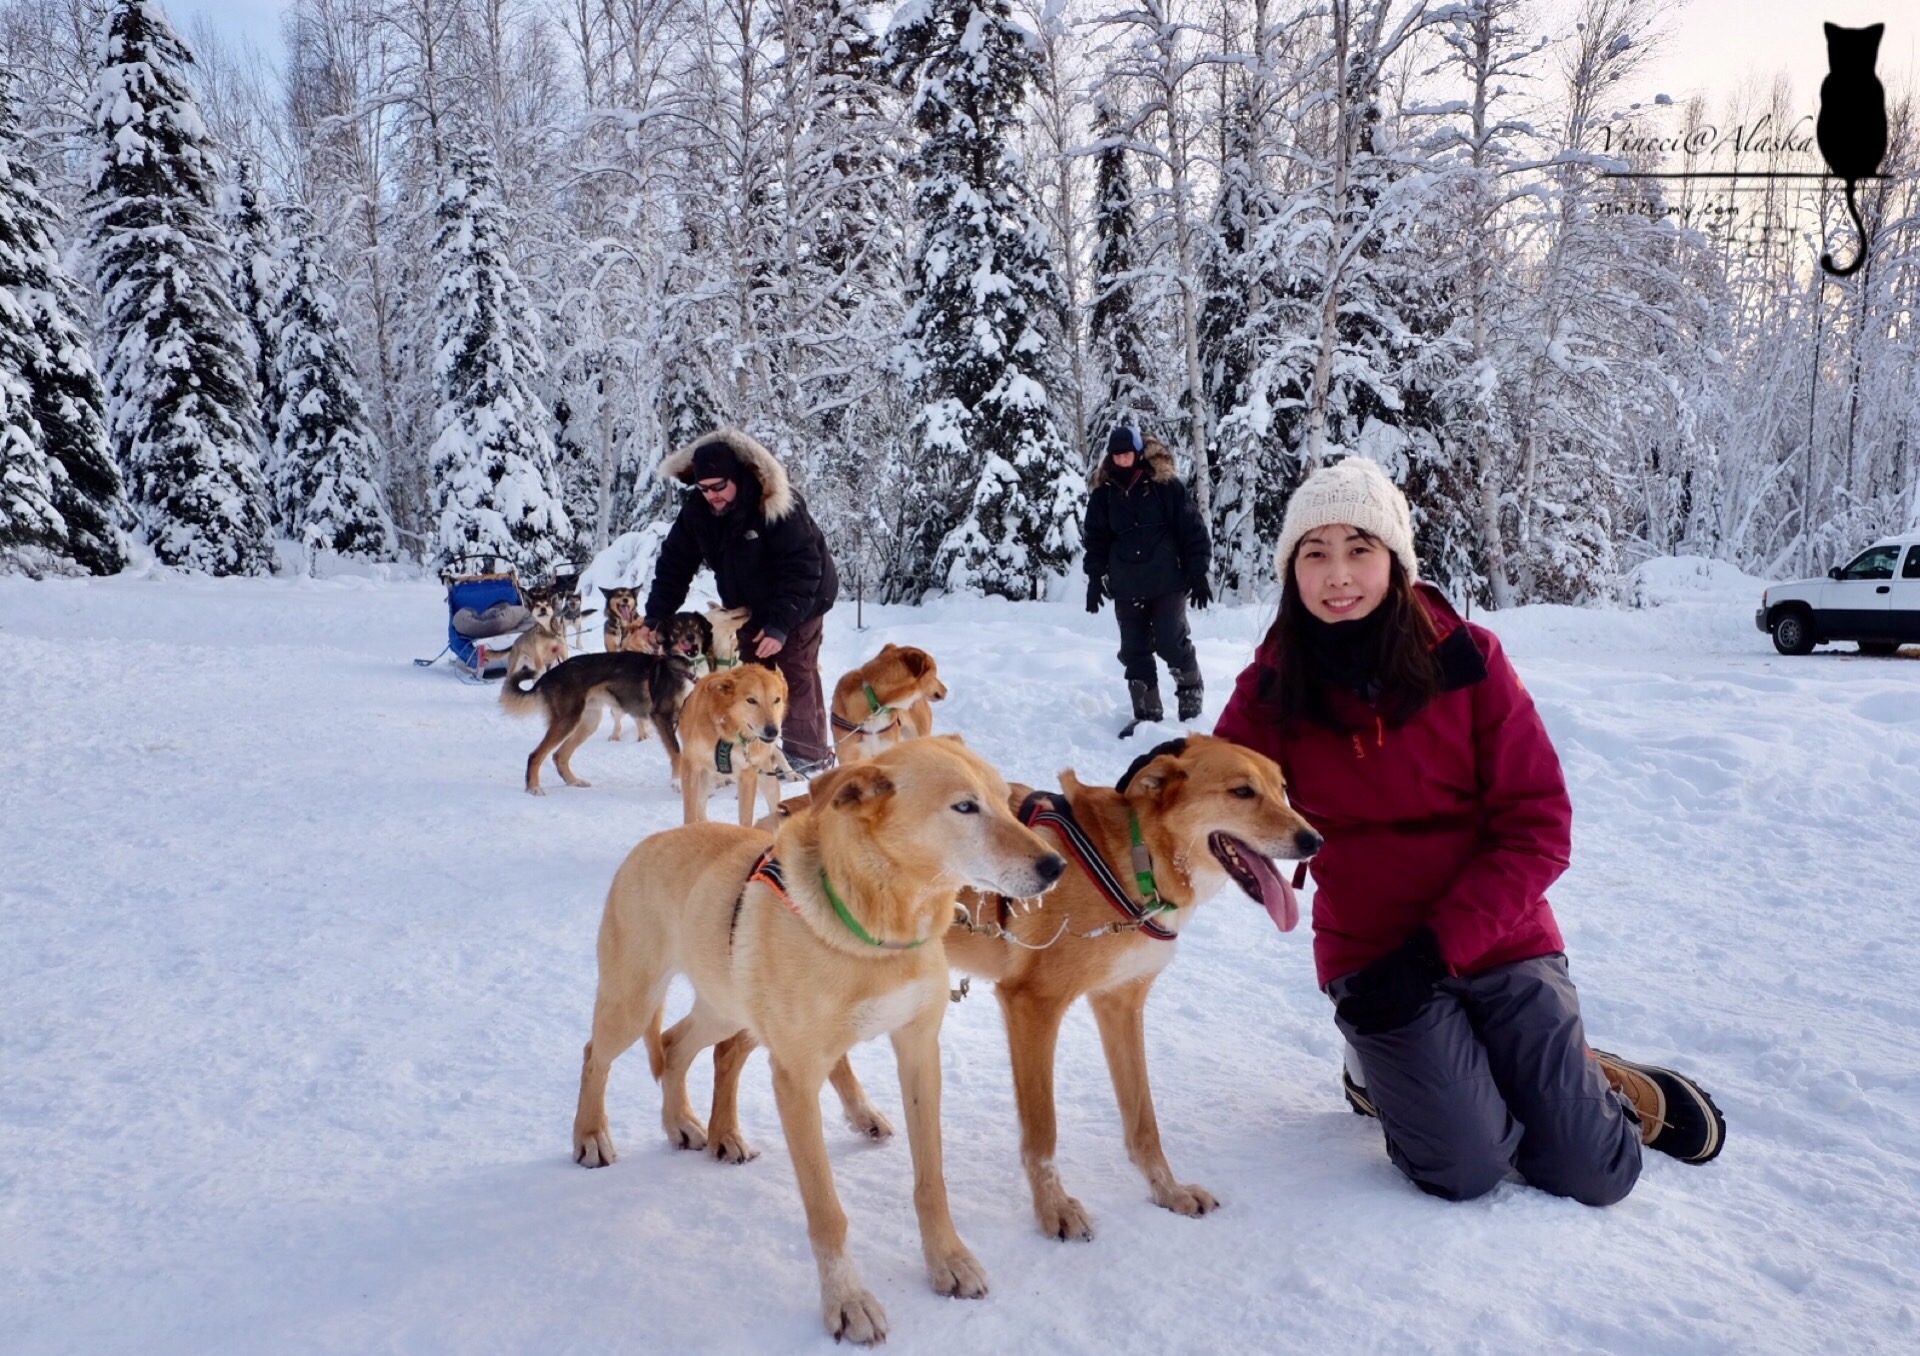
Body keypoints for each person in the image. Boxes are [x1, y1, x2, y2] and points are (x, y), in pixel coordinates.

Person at [1213, 457, 1724, 1205]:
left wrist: (1440, 948)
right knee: (1465, 1168)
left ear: (1395, 559)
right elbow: (1213, 794)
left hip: (1501, 937)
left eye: (1359, 549)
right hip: (1376, 959)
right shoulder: (1271, 687)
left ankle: (1590, 1079)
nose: (1338, 575)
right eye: (1313, 554)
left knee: (1594, 1172)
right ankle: (1381, 1072)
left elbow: (1539, 826)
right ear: (1293, 572)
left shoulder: (1469, 660)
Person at [641, 429, 839, 774]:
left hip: (802, 601)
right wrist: (656, 615)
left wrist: (779, 625)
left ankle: (807, 756)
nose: (712, 496)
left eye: (720, 487)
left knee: (795, 672)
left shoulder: (775, 504)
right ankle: (755, 750)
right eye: (704, 489)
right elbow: (674, 565)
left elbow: (804, 570)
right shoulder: (697, 513)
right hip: (747, 607)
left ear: (737, 478)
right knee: (751, 680)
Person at [1083, 425, 1213, 736]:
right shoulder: (1104, 496)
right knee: (1134, 650)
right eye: (1117, 455)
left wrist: (1198, 572)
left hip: (1168, 582)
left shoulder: (1165, 486)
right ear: (1111, 457)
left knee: (1170, 640)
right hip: (1126, 586)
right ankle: (1147, 718)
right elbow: (1096, 540)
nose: (1123, 459)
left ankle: (1191, 702)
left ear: (1139, 453)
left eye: (1128, 453)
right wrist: (1093, 578)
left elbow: (1192, 529)